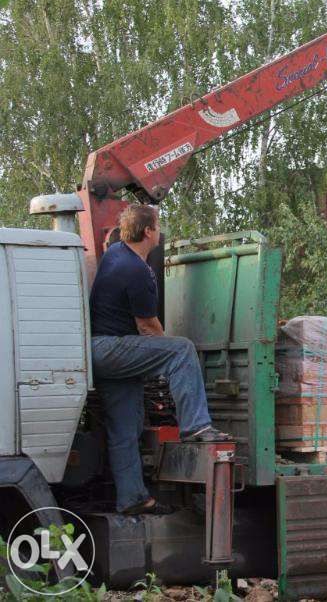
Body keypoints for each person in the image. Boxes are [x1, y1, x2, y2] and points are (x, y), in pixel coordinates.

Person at [89, 204, 230, 515]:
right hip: (110, 349)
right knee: (181, 350)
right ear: (149, 232)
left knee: (125, 427)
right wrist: (167, 358)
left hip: (101, 354)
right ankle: (197, 427)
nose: (160, 230)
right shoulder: (136, 270)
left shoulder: (115, 253)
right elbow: (148, 328)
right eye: (157, 225)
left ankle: (132, 498)